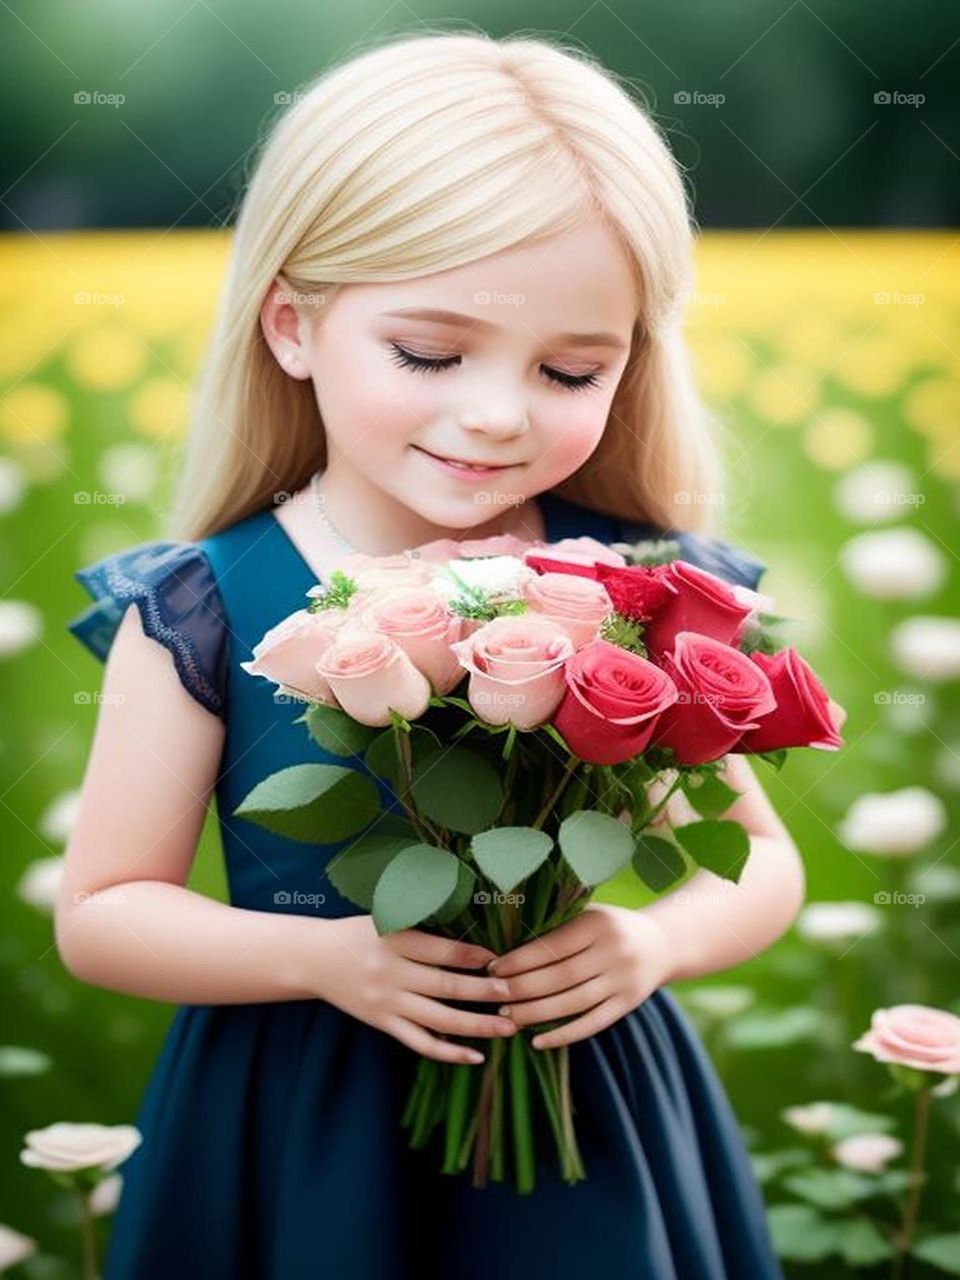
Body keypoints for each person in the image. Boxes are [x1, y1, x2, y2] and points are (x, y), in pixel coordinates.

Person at [58, 31, 799, 1278]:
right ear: (293, 325)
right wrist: (327, 954)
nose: (500, 409)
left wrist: (654, 941)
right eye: (430, 352)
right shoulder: (208, 601)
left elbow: (762, 864)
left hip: (580, 1098)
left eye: (572, 368)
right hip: (298, 1103)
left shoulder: (631, 591)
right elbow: (104, 913)